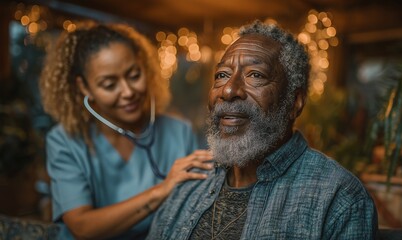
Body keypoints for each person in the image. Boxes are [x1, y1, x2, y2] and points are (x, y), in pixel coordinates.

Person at [147, 20, 378, 239]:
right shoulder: (189, 180)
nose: (228, 90)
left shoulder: (339, 198)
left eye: (255, 75)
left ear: (294, 102)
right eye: (222, 75)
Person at [39, 22, 213, 239]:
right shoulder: (64, 141)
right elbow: (82, 227)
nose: (128, 92)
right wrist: (162, 190)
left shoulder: (179, 132)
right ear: (84, 88)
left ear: (145, 68)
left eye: (133, 75)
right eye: (109, 84)